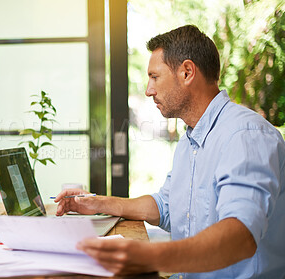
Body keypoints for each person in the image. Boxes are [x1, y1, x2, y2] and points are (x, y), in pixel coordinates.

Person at [54, 25, 285, 278]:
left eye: (155, 77)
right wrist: (97, 203)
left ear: (187, 72)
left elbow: (241, 236)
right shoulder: (190, 140)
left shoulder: (245, 136)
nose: (148, 90)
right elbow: (165, 206)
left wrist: (146, 256)